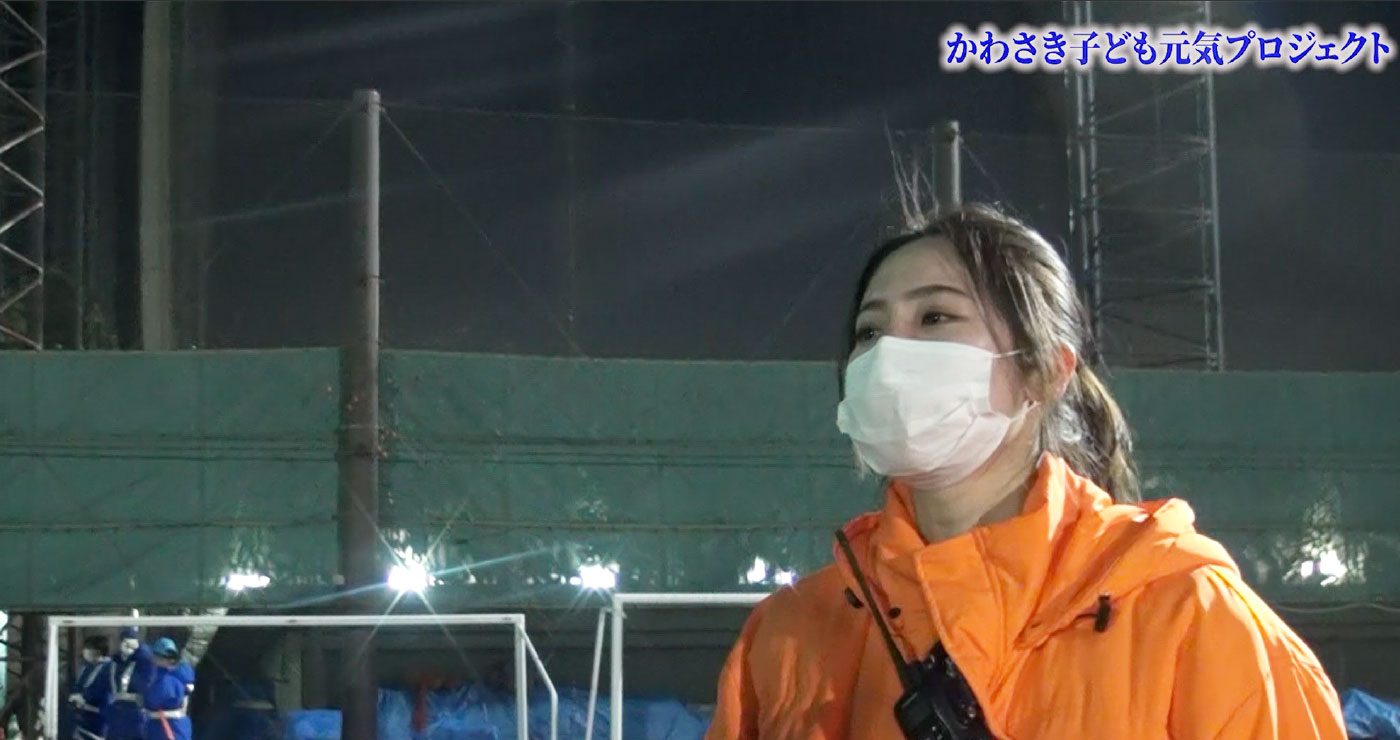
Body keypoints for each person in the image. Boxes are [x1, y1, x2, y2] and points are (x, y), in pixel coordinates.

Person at [704, 203, 1345, 739]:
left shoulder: (1190, 619)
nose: (888, 354)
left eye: (934, 317)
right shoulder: (791, 637)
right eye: (869, 332)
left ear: (1043, 372)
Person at [139, 638, 193, 740]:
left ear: (162, 658)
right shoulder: (183, 674)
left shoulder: (162, 679)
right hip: (180, 727)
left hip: (165, 728)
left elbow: (153, 700)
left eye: (154, 655)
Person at [69, 635, 114, 740]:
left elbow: (103, 692)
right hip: (83, 718)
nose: (84, 652)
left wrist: (85, 697)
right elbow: (78, 686)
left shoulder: (109, 668)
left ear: (97, 651)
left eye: (88, 648)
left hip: (99, 720)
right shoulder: (87, 667)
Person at [105, 629, 146, 740]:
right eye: (125, 643)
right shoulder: (113, 662)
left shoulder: (142, 663)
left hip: (135, 712)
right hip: (116, 711)